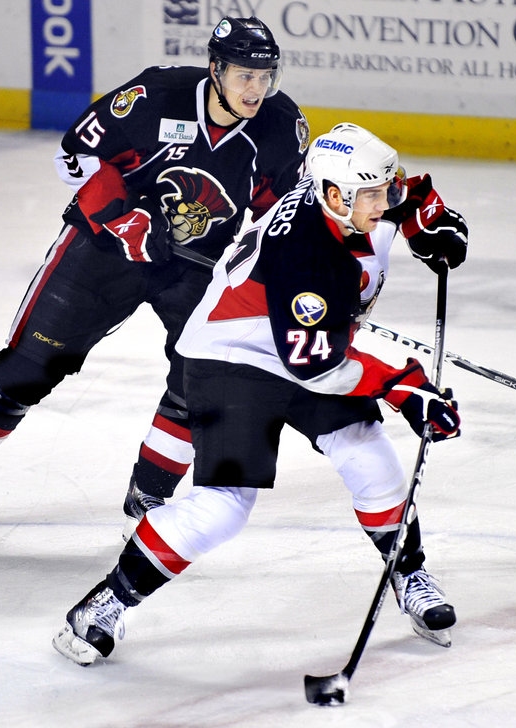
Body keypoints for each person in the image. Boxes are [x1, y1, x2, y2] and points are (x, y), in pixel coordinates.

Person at [52, 123, 469, 667]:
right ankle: (105, 603)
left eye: (381, 190)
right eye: (372, 194)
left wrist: (428, 220)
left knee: (368, 453)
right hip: (233, 359)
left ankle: (409, 574)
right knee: (223, 509)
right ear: (335, 196)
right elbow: (318, 365)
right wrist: (402, 386)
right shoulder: (308, 255)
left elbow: (405, 192)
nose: (384, 200)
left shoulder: (348, 196)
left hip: (300, 343)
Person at [0, 17, 309, 539]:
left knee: (202, 377)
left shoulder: (282, 127)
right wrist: (123, 218)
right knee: (31, 365)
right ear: (216, 69)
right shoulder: (154, 96)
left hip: (197, 265)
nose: (256, 89)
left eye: (265, 77)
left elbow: (280, 213)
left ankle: (150, 495)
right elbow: (73, 156)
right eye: (243, 76)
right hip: (103, 249)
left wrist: (269, 267)